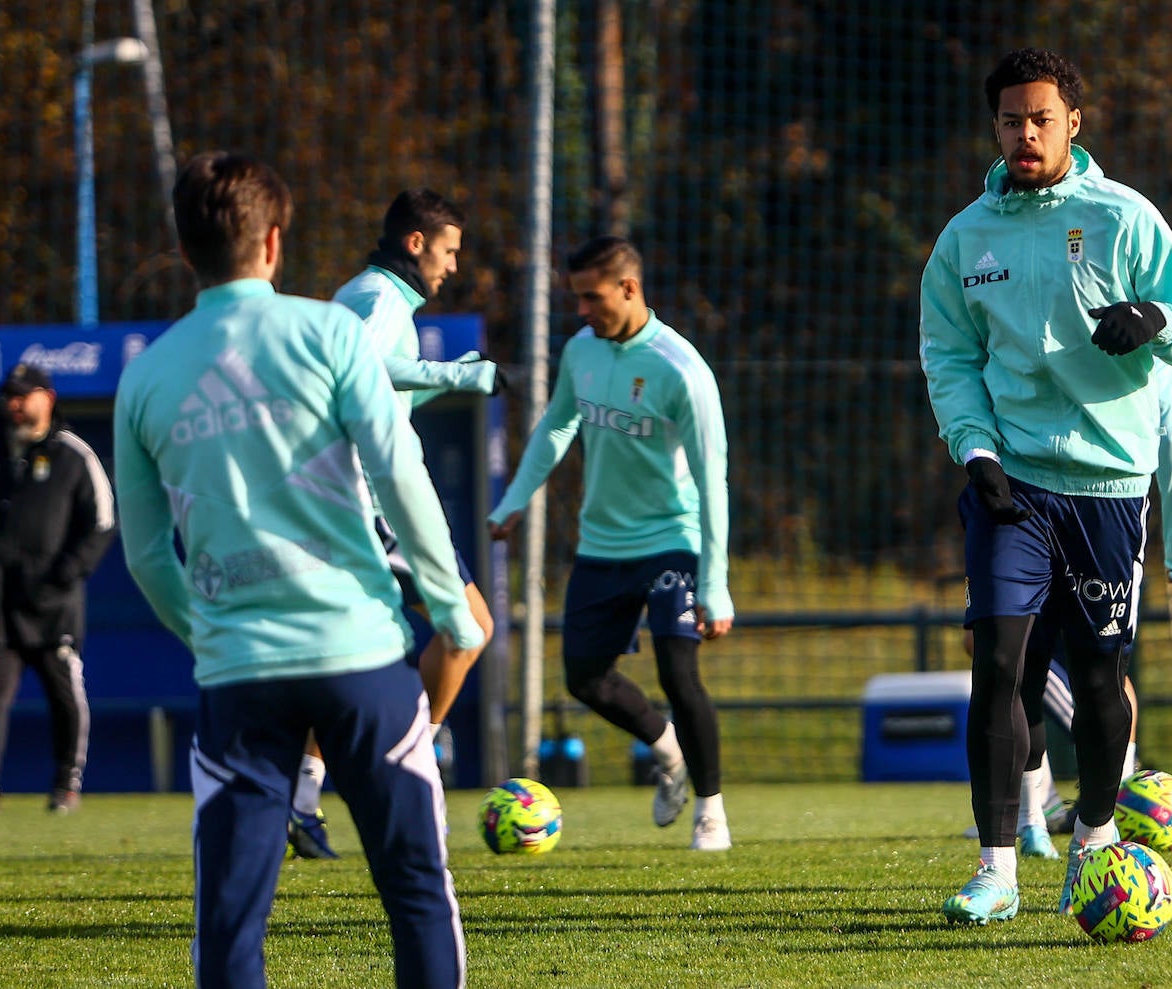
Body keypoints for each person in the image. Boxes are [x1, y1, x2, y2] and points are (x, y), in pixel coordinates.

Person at [113, 151, 483, 987]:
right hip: (360, 660)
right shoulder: (329, 332)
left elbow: (144, 553)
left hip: (241, 677)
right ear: (274, 244)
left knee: (232, 924)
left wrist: (210, 633)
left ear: (183, 251)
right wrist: (453, 614)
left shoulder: (145, 375)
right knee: (417, 891)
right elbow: (400, 476)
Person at [919, 48, 1172, 924]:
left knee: (1097, 676)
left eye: (1041, 118)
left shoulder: (1123, 218)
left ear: (1073, 123)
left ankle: (1092, 837)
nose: (1025, 133)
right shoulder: (966, 237)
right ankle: (996, 868)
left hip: (1108, 485)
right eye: (1010, 120)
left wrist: (1152, 318)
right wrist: (975, 450)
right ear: (995, 126)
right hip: (1009, 483)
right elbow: (950, 354)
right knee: (999, 666)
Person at [487, 235, 735, 851]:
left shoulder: (682, 370)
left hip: (671, 540)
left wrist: (714, 583)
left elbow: (713, 479)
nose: (581, 311)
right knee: (584, 677)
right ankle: (668, 753)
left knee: (679, 671)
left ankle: (711, 812)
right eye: (575, 299)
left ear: (629, 288)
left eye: (591, 297)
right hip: (602, 544)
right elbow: (556, 424)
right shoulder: (582, 350)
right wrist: (515, 499)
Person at [284, 189, 501, 860]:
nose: (453, 266)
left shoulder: (370, 296)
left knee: (358, 649)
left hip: (351, 495)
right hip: (373, 499)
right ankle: (416, 756)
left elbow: (374, 390)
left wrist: (451, 378)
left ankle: (303, 792)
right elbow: (366, 369)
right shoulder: (379, 300)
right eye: (449, 250)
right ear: (416, 243)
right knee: (470, 630)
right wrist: (455, 374)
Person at [964, 359, 1172, 857]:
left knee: (1102, 672)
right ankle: (1030, 821)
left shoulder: (1148, 357)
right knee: (1006, 662)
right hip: (1022, 498)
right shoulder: (1022, 331)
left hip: (1105, 506)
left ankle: (1114, 795)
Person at [0, 363, 115, 813]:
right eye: (9, 395)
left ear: (48, 397)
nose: (13, 404)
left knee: (64, 693)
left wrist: (64, 575)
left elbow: (101, 523)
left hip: (52, 603)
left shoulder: (72, 454)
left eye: (23, 395)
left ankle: (66, 785)